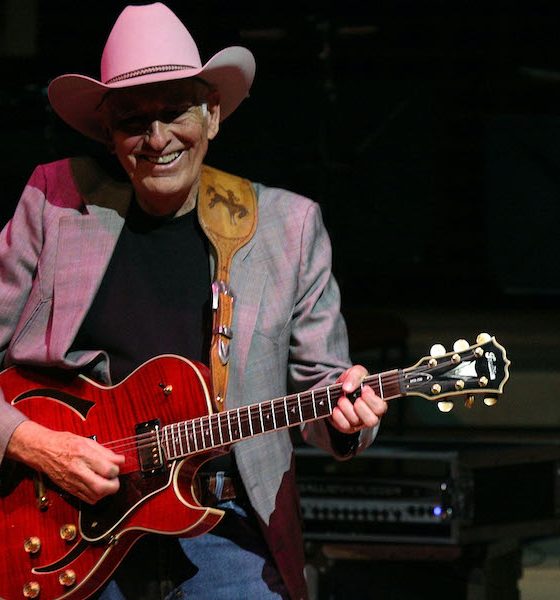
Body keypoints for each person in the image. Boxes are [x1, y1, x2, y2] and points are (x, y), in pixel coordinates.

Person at [0, 3, 388, 599]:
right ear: (108, 133)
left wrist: (344, 418)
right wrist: (33, 443)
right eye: (133, 120)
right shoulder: (54, 202)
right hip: (57, 516)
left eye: (176, 111)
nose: (158, 139)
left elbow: (322, 389)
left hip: (221, 519)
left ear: (212, 116)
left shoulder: (287, 226)